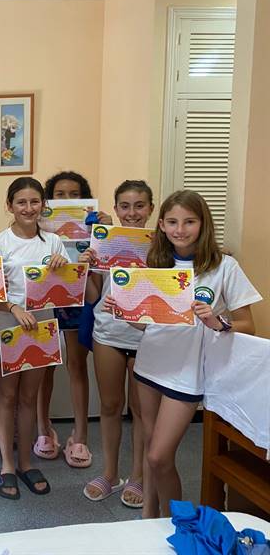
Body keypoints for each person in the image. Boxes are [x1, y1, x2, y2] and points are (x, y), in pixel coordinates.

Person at [105, 190, 261, 518]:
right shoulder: (155, 264)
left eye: (189, 222)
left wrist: (217, 322)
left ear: (203, 224)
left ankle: (177, 522)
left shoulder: (224, 266)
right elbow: (146, 326)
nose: (180, 229)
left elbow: (248, 324)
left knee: (159, 457)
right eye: (173, 222)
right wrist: (124, 311)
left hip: (187, 374)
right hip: (149, 365)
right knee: (150, 449)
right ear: (161, 224)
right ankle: (149, 517)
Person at [0, 178, 69, 500]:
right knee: (7, 396)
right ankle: (7, 464)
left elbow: (67, 291)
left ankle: (26, 462)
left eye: (35, 202)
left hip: (42, 331)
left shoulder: (54, 243)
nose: (29, 208)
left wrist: (64, 268)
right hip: (7, 331)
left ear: (43, 205)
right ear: (10, 206)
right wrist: (13, 308)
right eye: (21, 202)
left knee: (30, 398)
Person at [79, 180, 154, 507]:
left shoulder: (161, 244)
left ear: (150, 208)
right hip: (108, 333)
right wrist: (86, 269)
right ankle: (110, 474)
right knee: (109, 406)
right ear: (116, 208)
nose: (132, 212)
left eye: (139, 205)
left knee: (140, 410)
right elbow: (94, 296)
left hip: (146, 336)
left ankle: (138, 476)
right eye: (125, 206)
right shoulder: (104, 241)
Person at [34, 171, 112, 469]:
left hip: (79, 296)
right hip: (44, 296)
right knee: (44, 367)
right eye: (60, 195)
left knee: (77, 365)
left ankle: (80, 436)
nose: (67, 199)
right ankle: (44, 430)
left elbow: (113, 255)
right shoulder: (36, 225)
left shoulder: (96, 226)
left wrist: (106, 229)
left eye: (74, 194)